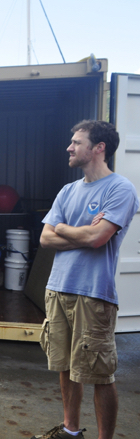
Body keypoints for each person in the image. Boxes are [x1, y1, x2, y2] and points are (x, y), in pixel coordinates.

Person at [34, 120, 138, 439]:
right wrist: (77, 232)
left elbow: (97, 238)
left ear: (99, 148)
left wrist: (64, 227)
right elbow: (45, 239)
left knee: (100, 374)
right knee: (66, 367)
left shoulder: (120, 189)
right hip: (58, 288)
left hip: (93, 294)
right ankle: (70, 430)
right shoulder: (68, 191)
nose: (70, 147)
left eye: (77, 142)